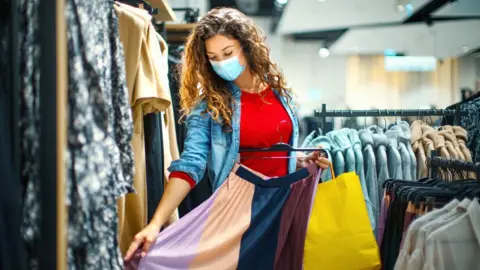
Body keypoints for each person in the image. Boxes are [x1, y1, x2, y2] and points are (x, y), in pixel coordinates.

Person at [124, 7, 330, 260]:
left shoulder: (279, 93)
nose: (221, 62)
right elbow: (191, 164)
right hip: (237, 213)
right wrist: (155, 223)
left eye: (228, 53)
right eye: (213, 56)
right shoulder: (209, 106)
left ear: (246, 46)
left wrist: (299, 160)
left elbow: (269, 150)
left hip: (282, 207)